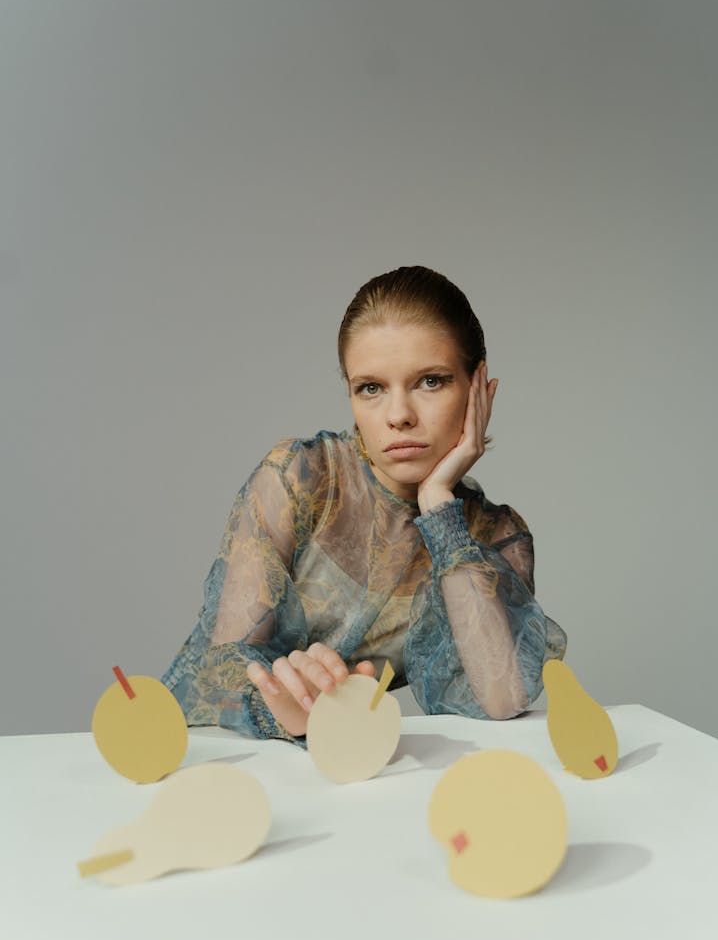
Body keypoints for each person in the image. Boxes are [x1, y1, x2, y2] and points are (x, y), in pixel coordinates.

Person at [161, 266, 566, 744]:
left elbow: (501, 698)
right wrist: (283, 704)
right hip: (211, 752)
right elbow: (219, 666)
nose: (398, 416)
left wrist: (439, 509)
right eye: (370, 388)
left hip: (345, 761)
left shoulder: (493, 537)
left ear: (478, 387)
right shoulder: (302, 479)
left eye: (430, 381)